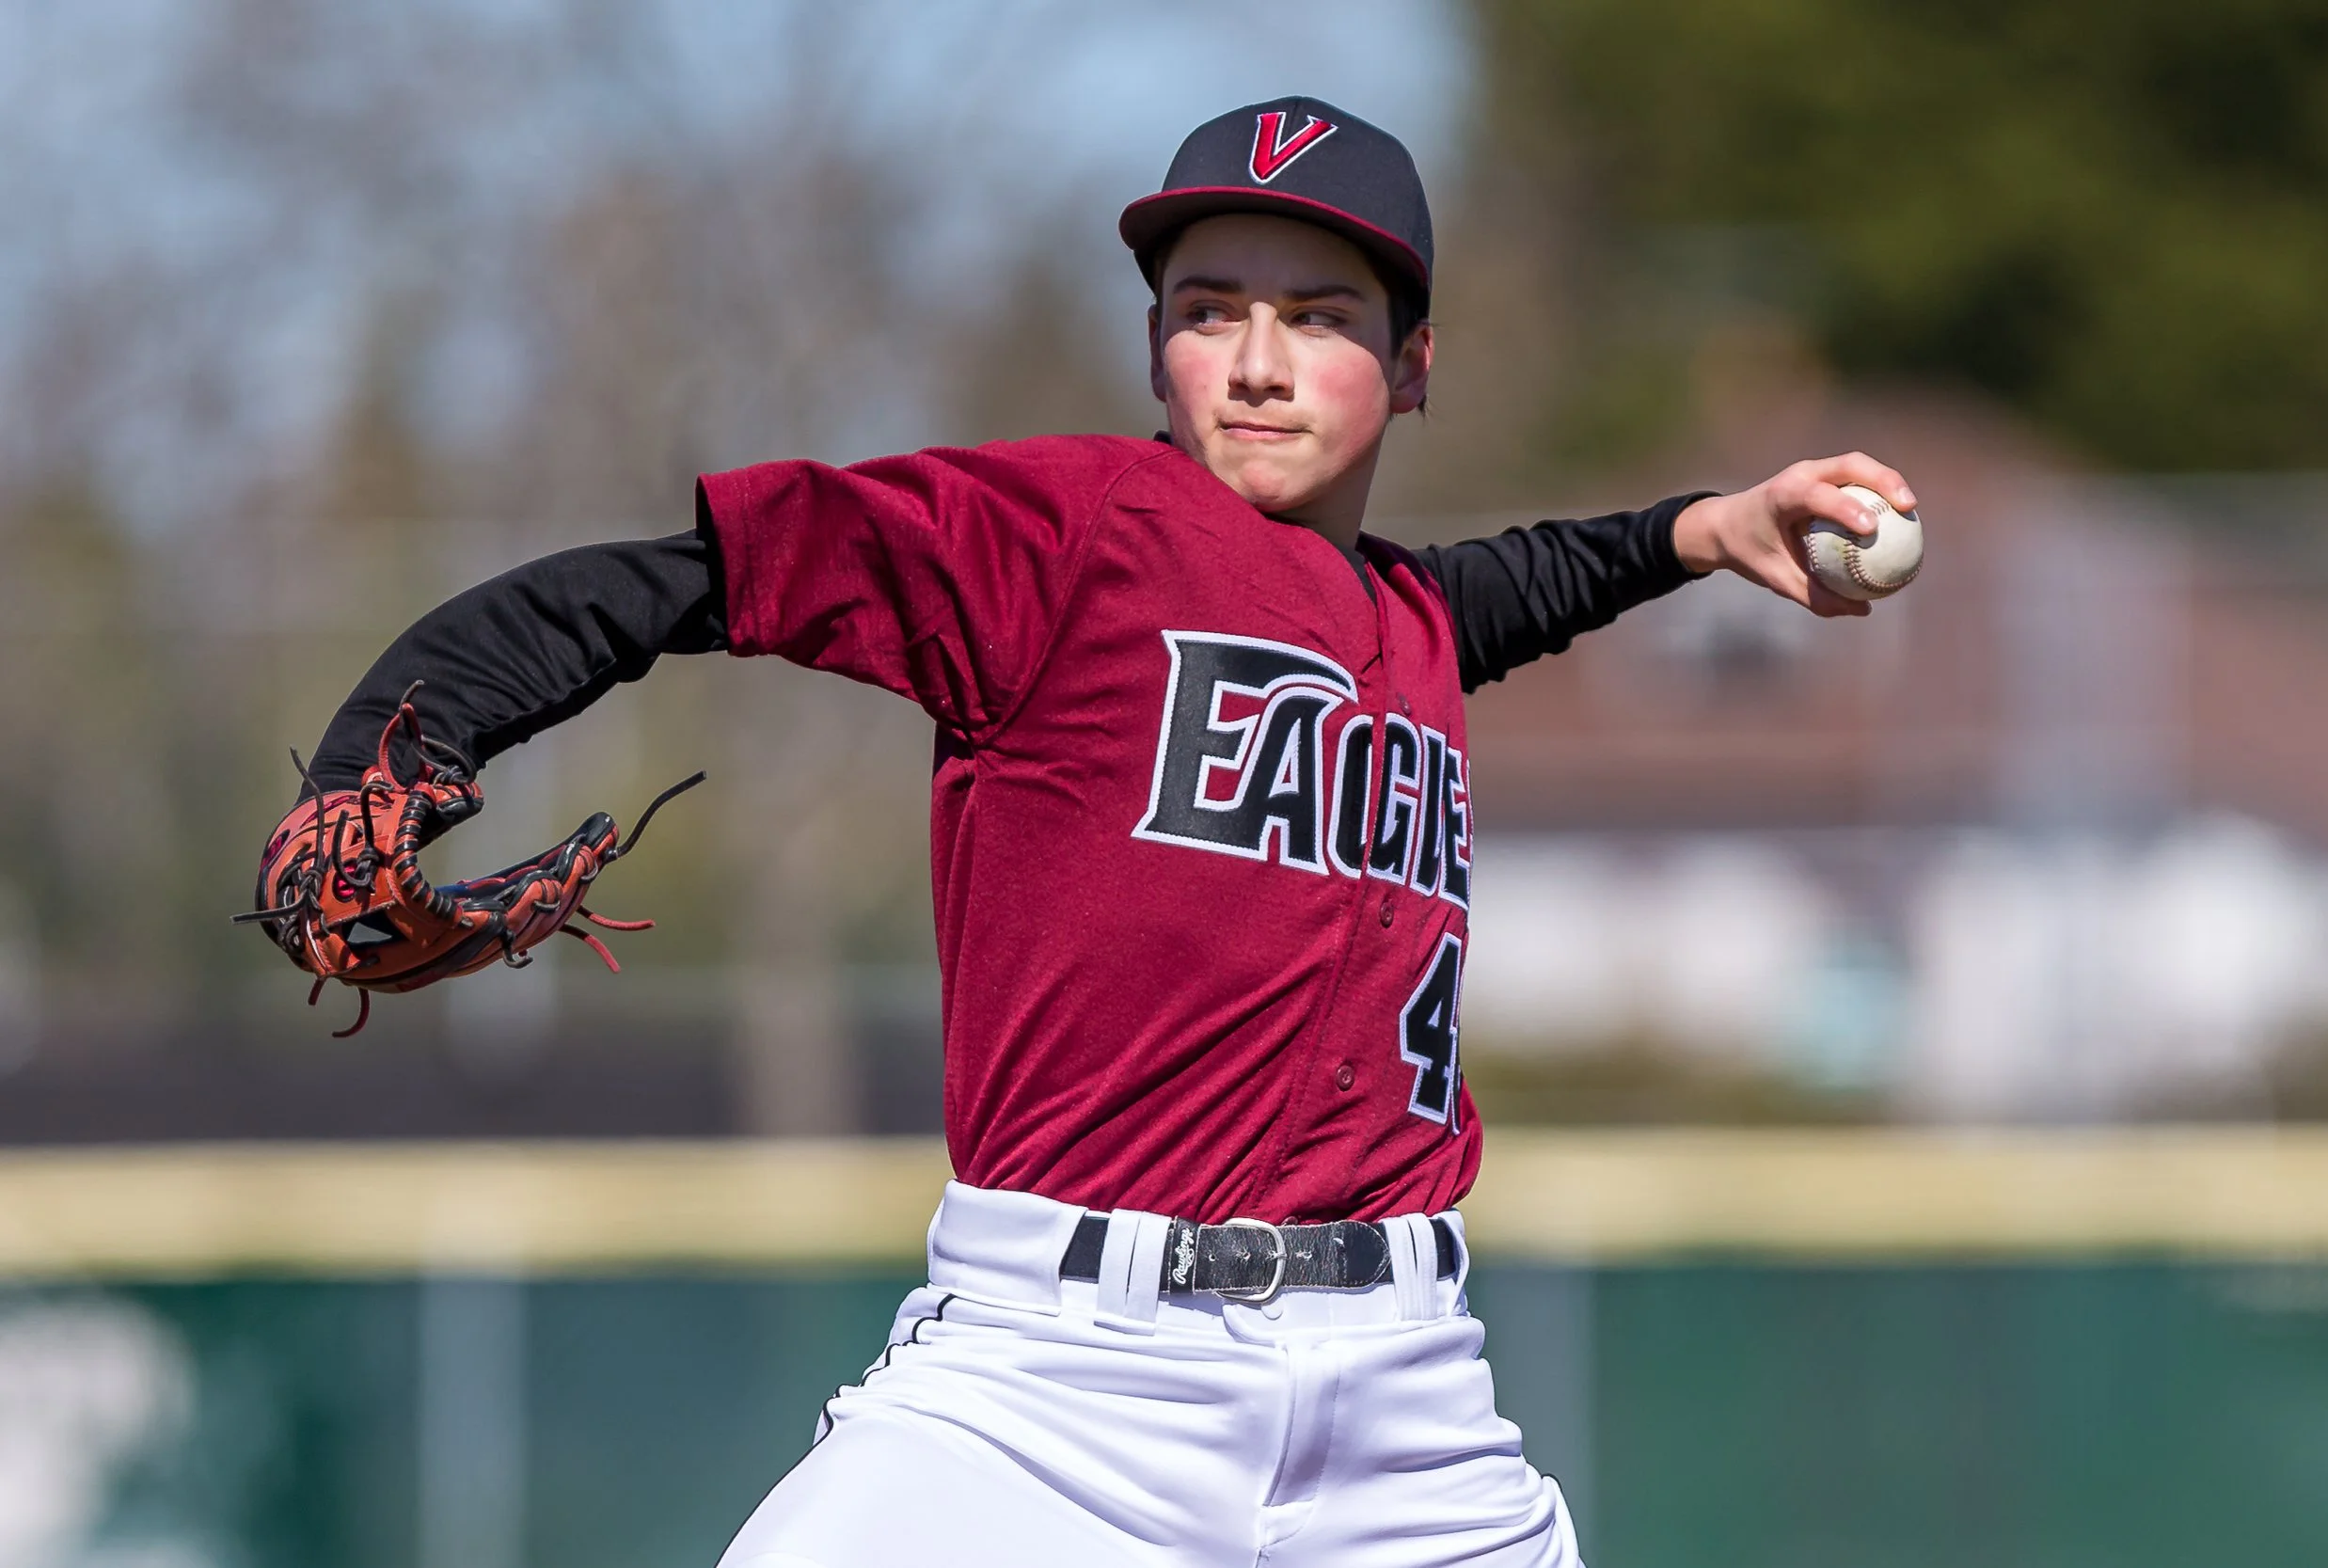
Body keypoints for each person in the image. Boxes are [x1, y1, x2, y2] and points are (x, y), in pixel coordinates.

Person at [257, 97, 1912, 1567]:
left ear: (1412, 366)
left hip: (1411, 1405)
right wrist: (385, 754)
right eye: (1209, 312)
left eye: (1320, 316)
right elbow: (677, 582)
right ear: (1155, 351)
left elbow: (1505, 587)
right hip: (1057, 1384)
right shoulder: (1057, 541)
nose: (1256, 361)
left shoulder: (1403, 617)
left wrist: (1699, 531)